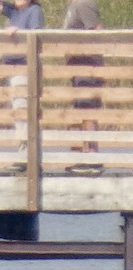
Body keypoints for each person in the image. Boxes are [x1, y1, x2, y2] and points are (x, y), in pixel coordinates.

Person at [0, 0, 45, 160]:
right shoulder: (15, 11)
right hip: (13, 69)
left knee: (23, 109)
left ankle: (27, 154)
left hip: (24, 67)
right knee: (18, 110)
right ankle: (23, 151)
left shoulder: (34, 10)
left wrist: (19, 31)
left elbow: (37, 36)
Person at [63, 0, 103, 157]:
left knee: (87, 110)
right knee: (81, 109)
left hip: (87, 66)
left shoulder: (83, 4)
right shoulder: (74, 6)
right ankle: (81, 153)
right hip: (77, 66)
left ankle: (91, 154)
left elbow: (97, 31)